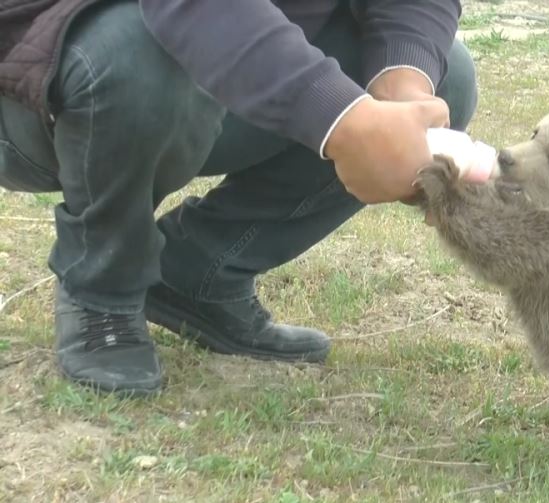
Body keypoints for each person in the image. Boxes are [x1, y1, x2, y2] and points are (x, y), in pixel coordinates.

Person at [0, 0, 477, 396]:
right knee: (141, 53)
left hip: (209, 65)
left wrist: (402, 82)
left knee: (443, 76)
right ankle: (102, 283)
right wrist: (345, 119)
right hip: (45, 76)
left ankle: (197, 273)